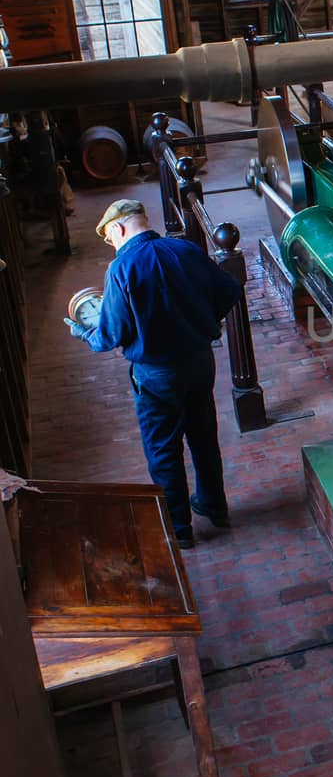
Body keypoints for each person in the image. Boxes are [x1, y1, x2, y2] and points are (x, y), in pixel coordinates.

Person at [65, 199, 242, 549]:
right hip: (200, 361)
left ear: (117, 229)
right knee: (203, 436)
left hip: (157, 374)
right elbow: (229, 290)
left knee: (163, 449)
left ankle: (179, 528)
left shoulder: (121, 268)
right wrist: (203, 322)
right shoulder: (186, 250)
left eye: (110, 238)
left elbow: (112, 335)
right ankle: (215, 507)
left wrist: (83, 333)